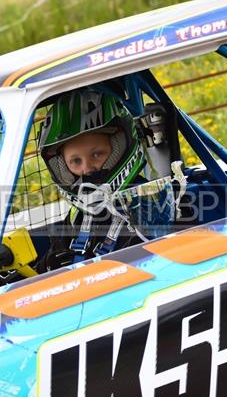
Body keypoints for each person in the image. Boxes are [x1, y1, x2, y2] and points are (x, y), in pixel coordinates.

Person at [34, 88, 150, 272]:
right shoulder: (77, 217)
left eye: (97, 154)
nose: (86, 169)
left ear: (120, 147)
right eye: (75, 161)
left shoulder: (151, 201)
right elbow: (46, 268)